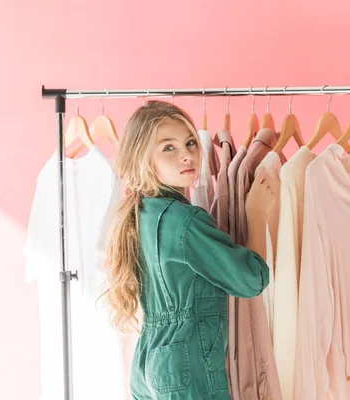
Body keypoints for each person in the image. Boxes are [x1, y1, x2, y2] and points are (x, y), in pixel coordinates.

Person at [102, 100, 275, 399]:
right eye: (169, 148)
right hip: (187, 366)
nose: (187, 156)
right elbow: (250, 280)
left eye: (190, 143)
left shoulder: (141, 212)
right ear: (143, 157)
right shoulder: (185, 220)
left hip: (150, 359)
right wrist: (257, 214)